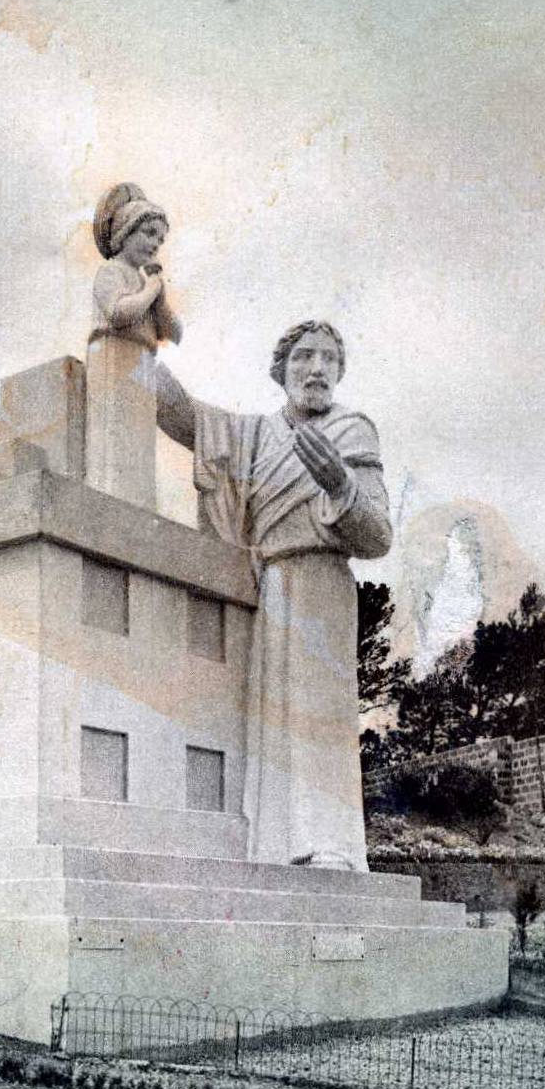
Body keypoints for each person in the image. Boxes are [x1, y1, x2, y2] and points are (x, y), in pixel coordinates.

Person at [156, 320, 392, 870]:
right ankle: (278, 847)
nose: (317, 369)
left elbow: (378, 536)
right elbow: (185, 417)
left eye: (329, 359)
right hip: (267, 588)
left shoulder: (354, 431)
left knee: (318, 717)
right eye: (305, 357)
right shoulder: (254, 435)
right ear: (281, 370)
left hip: (323, 584)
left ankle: (328, 842)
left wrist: (342, 485)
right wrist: (138, 349)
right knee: (272, 721)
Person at [89, 183, 182, 352]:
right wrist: (151, 291)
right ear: (125, 233)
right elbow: (117, 314)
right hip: (113, 355)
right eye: (149, 233)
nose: (155, 245)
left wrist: (160, 302)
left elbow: (175, 334)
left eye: (160, 240)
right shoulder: (112, 270)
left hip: (142, 359)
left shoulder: (145, 282)